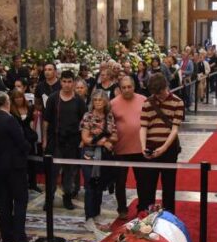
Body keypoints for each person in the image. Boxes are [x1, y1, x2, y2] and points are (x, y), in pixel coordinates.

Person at [0, 92, 36, 242]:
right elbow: (21, 142)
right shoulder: (9, 119)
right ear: (6, 102)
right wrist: (28, 147)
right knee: (20, 201)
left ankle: (7, 235)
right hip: (14, 166)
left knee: (3, 200)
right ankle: (20, 240)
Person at [137, 72, 184, 213]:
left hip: (169, 149)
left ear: (166, 86)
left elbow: (175, 129)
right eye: (156, 94)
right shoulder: (147, 102)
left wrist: (164, 148)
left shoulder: (178, 102)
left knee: (169, 186)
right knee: (148, 186)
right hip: (151, 145)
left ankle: (169, 216)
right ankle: (147, 216)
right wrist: (143, 147)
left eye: (161, 92)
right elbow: (143, 127)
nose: (159, 96)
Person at [43, 70, 88, 211]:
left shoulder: (79, 101)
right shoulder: (53, 99)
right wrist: (44, 140)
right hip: (55, 140)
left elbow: (85, 122)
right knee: (52, 173)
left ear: (73, 83)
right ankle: (48, 199)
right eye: (64, 81)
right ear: (60, 82)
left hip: (72, 142)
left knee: (69, 173)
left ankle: (67, 198)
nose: (67, 85)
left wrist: (82, 140)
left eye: (69, 82)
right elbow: (46, 121)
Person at [79, 89, 118, 233]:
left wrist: (100, 138)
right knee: (90, 185)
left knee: (100, 184)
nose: (97, 103)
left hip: (104, 156)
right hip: (89, 154)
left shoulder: (109, 116)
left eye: (100, 100)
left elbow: (115, 137)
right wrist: (102, 142)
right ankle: (88, 217)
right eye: (95, 100)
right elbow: (85, 139)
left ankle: (96, 214)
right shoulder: (87, 116)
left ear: (105, 102)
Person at [110, 75, 146, 219]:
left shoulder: (143, 100)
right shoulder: (112, 103)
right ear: (120, 88)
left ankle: (142, 207)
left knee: (142, 181)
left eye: (129, 87)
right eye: (123, 87)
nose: (126, 90)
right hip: (120, 149)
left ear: (134, 87)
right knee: (120, 182)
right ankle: (122, 209)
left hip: (140, 148)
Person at [9, 89, 41, 193]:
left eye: (20, 97)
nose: (19, 99)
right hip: (17, 140)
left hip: (29, 138)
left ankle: (33, 183)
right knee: (21, 163)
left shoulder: (30, 108)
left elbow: (32, 122)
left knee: (32, 162)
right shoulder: (11, 110)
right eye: (16, 97)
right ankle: (21, 184)